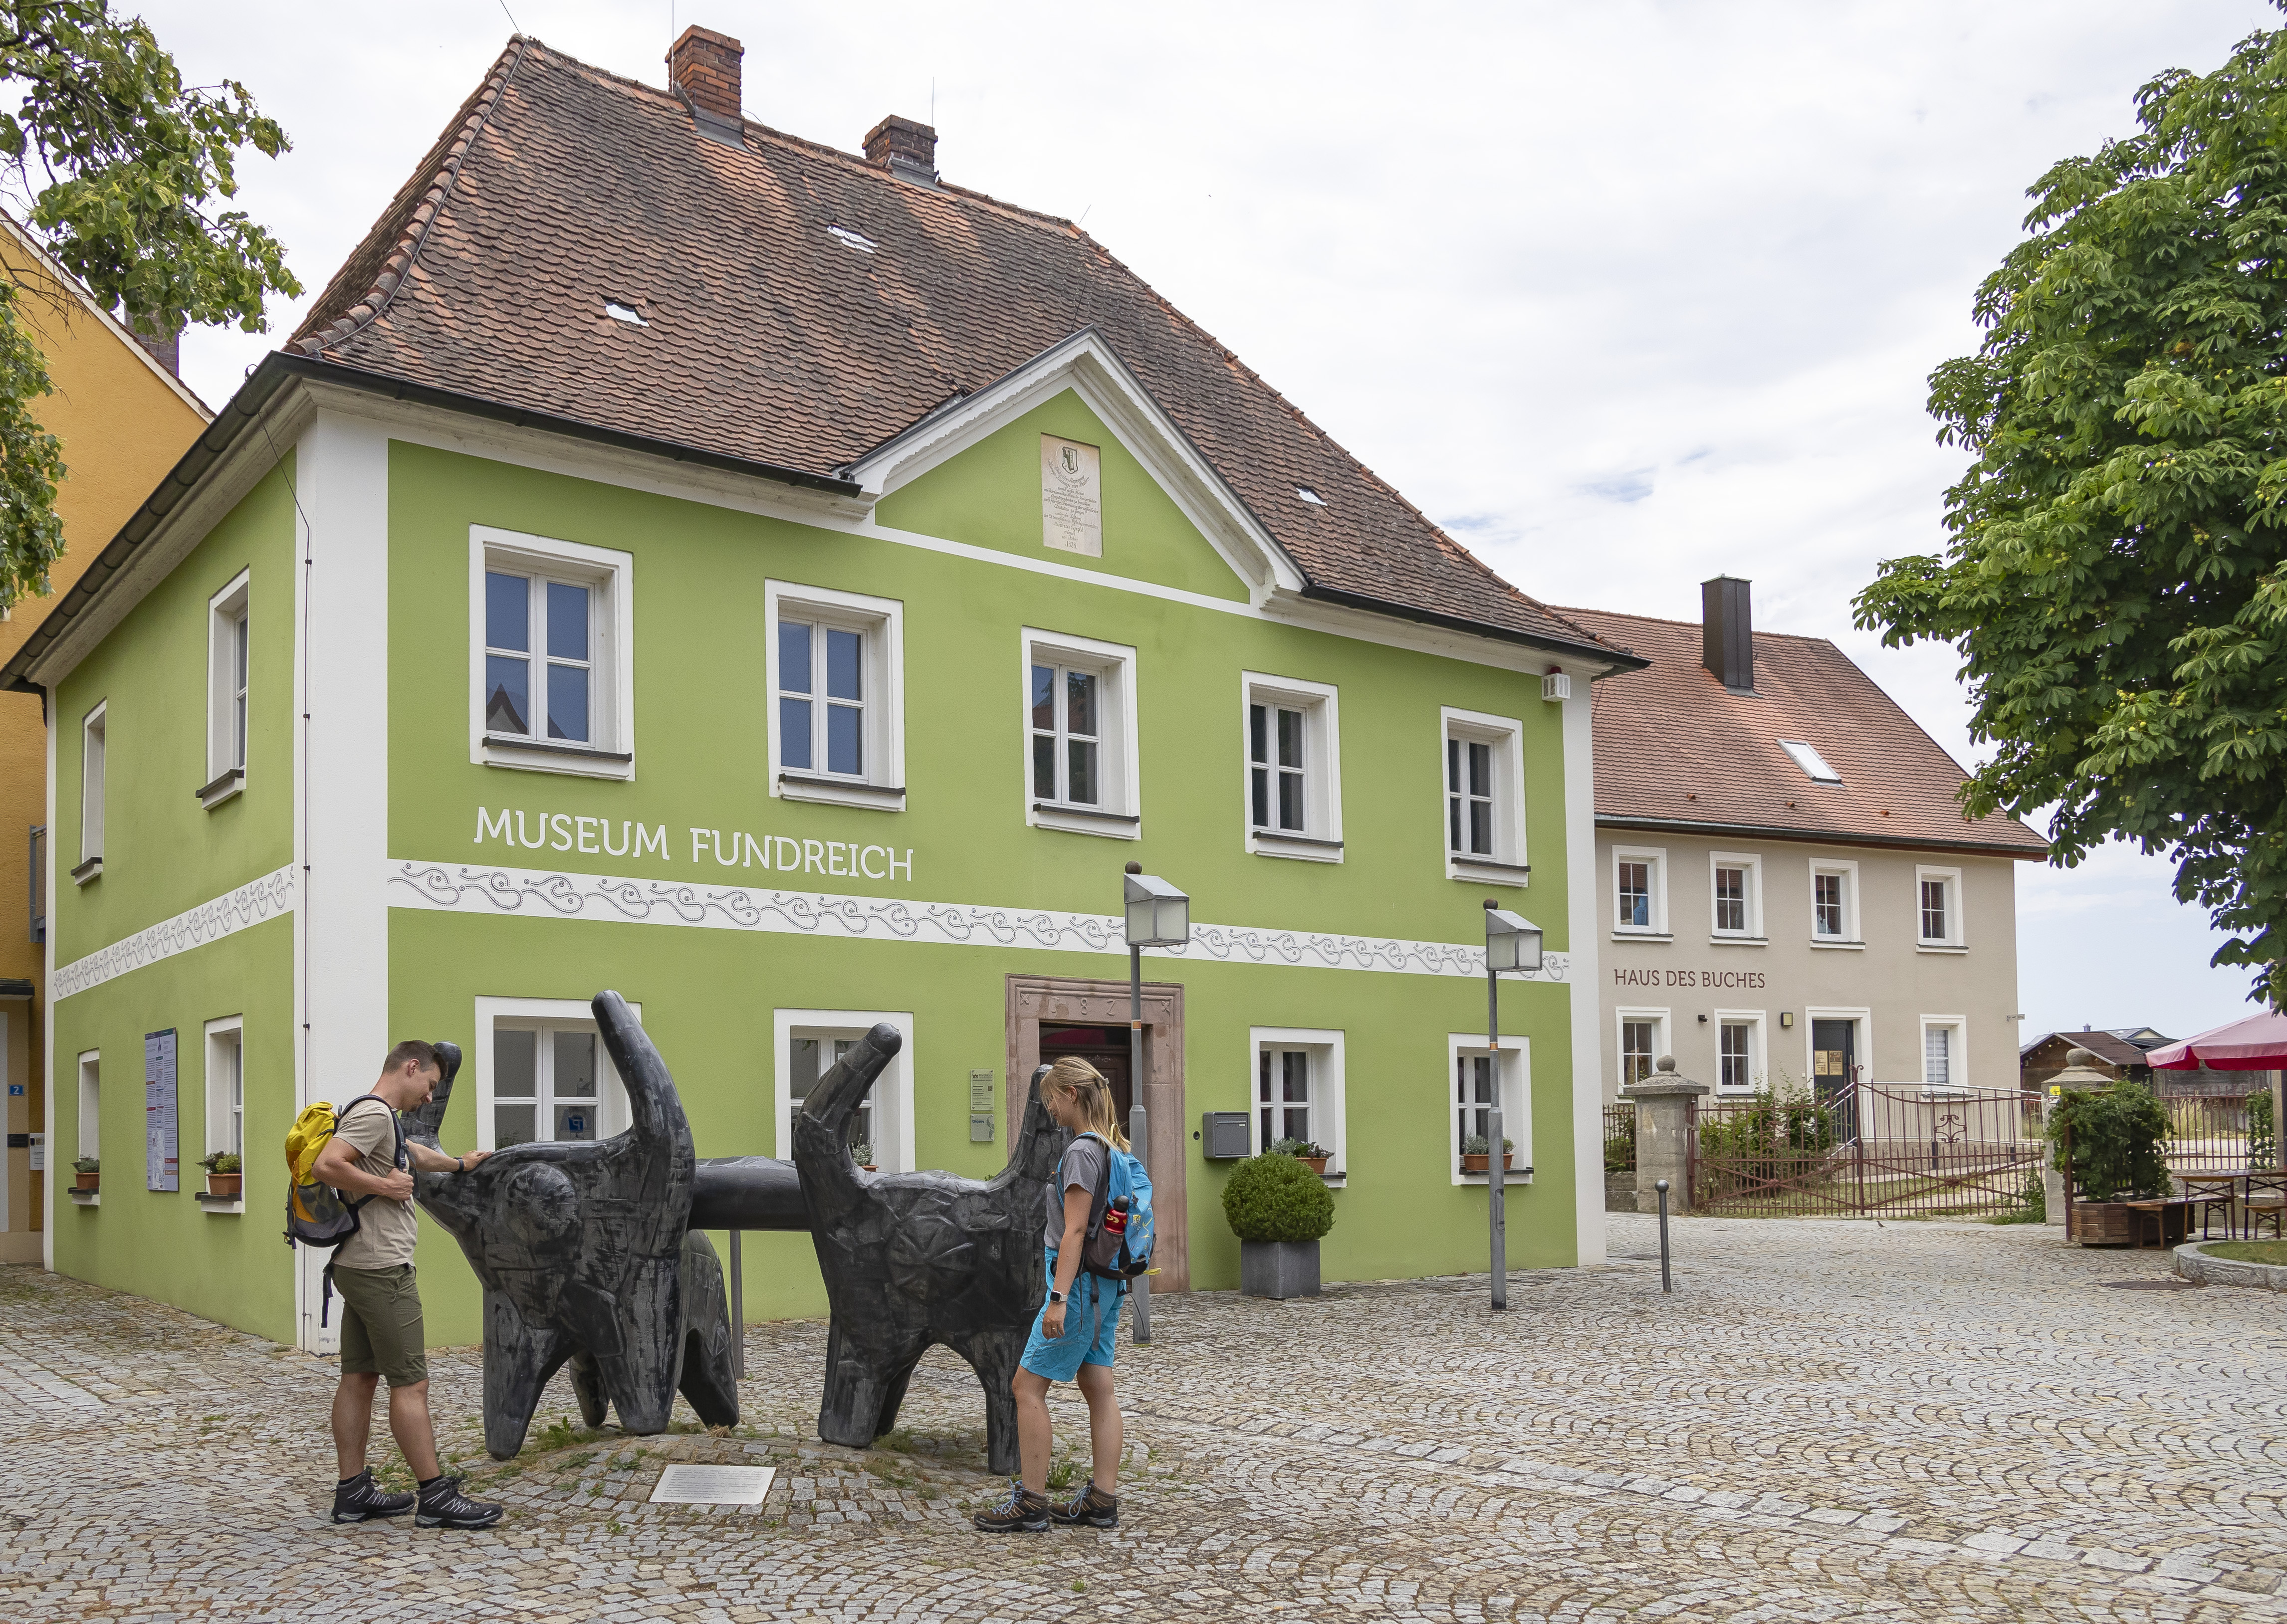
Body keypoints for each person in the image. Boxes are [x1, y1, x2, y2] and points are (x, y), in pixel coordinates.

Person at [312, 1038, 501, 1529]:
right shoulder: (375, 1115)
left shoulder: (376, 1116)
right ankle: (435, 1495)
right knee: (411, 1383)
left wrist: (460, 1164)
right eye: (431, 1085)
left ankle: (352, 1492)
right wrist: (387, 1187)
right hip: (383, 1270)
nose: (430, 1097)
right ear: (412, 1067)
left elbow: (411, 1153)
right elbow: (328, 1164)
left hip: (359, 1264)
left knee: (358, 1377)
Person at [974, 1056, 1129, 1534]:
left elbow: (1075, 1229)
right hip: (1106, 1285)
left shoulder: (1083, 1152)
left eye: (1052, 1100)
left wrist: (1058, 1298)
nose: (1050, 1112)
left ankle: (1033, 1501)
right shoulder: (1116, 1149)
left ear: (1072, 1095)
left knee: (1026, 1387)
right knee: (1099, 1387)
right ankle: (1102, 1499)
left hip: (1078, 1286)